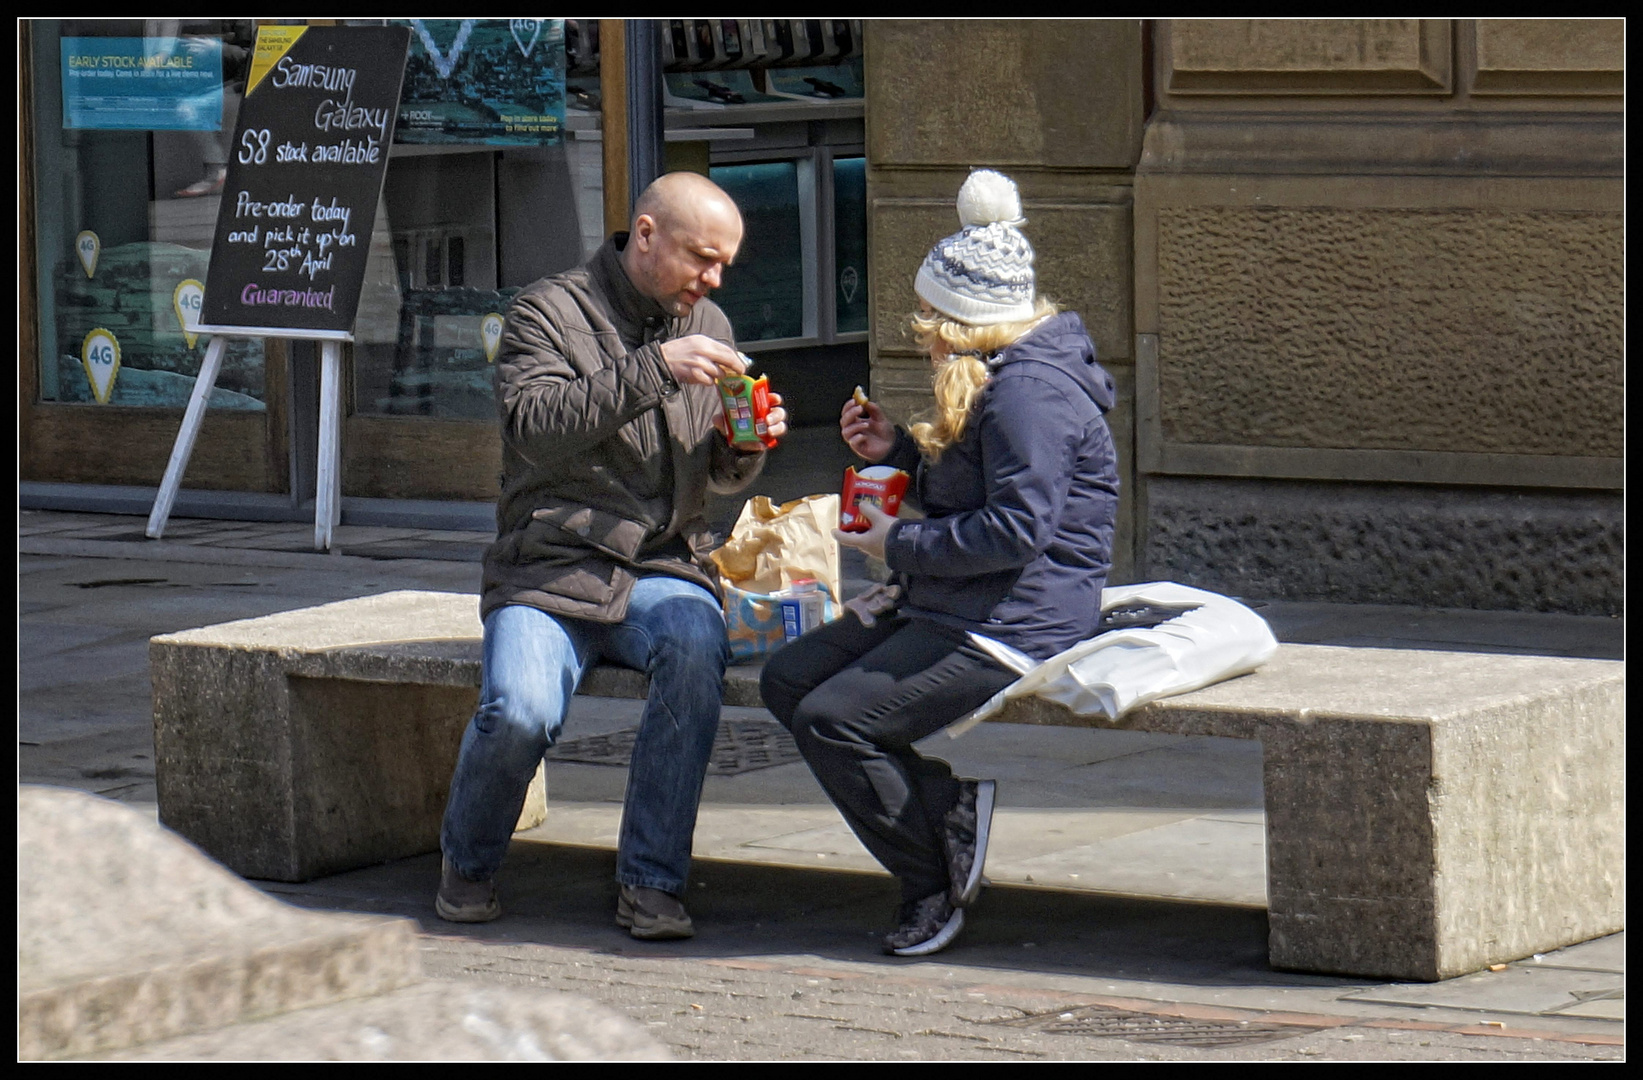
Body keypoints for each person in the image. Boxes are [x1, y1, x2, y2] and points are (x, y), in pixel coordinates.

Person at [760, 169, 1119, 956]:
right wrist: (895, 454)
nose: (920, 332)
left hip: (1015, 617)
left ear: (961, 324)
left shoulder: (1030, 395)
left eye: (928, 319)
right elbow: (975, 498)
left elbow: (1015, 531)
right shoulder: (1002, 381)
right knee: (787, 680)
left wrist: (895, 545)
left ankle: (931, 885)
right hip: (958, 599)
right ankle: (944, 805)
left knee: (834, 722)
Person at [436, 172, 787, 940]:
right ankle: (468, 860)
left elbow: (719, 473)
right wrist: (656, 369)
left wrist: (747, 442)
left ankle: (651, 882)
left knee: (695, 652)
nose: (713, 280)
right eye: (702, 258)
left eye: (724, 264)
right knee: (520, 710)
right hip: (550, 563)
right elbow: (533, 422)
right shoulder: (547, 311)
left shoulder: (710, 321)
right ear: (647, 233)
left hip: (663, 566)